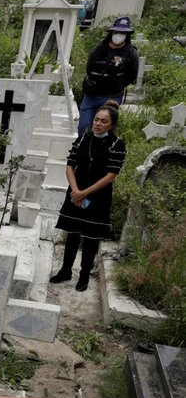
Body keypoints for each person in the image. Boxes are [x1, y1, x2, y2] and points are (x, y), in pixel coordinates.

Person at [50, 100, 126, 292]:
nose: (98, 124)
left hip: (97, 196)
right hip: (76, 192)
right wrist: (75, 191)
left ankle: (84, 275)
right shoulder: (83, 139)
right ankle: (65, 270)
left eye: (103, 121)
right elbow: (70, 166)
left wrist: (84, 193)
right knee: (73, 233)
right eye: (96, 120)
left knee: (91, 237)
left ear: (112, 124)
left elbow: (111, 175)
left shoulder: (116, 145)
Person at [78, 17, 138, 135]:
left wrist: (117, 84)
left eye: (122, 33)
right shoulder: (99, 48)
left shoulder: (131, 53)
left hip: (112, 97)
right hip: (91, 95)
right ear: (111, 33)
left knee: (103, 129)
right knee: (84, 127)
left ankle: (99, 152)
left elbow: (132, 75)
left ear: (127, 35)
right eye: (116, 32)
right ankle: (82, 149)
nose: (118, 35)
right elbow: (89, 68)